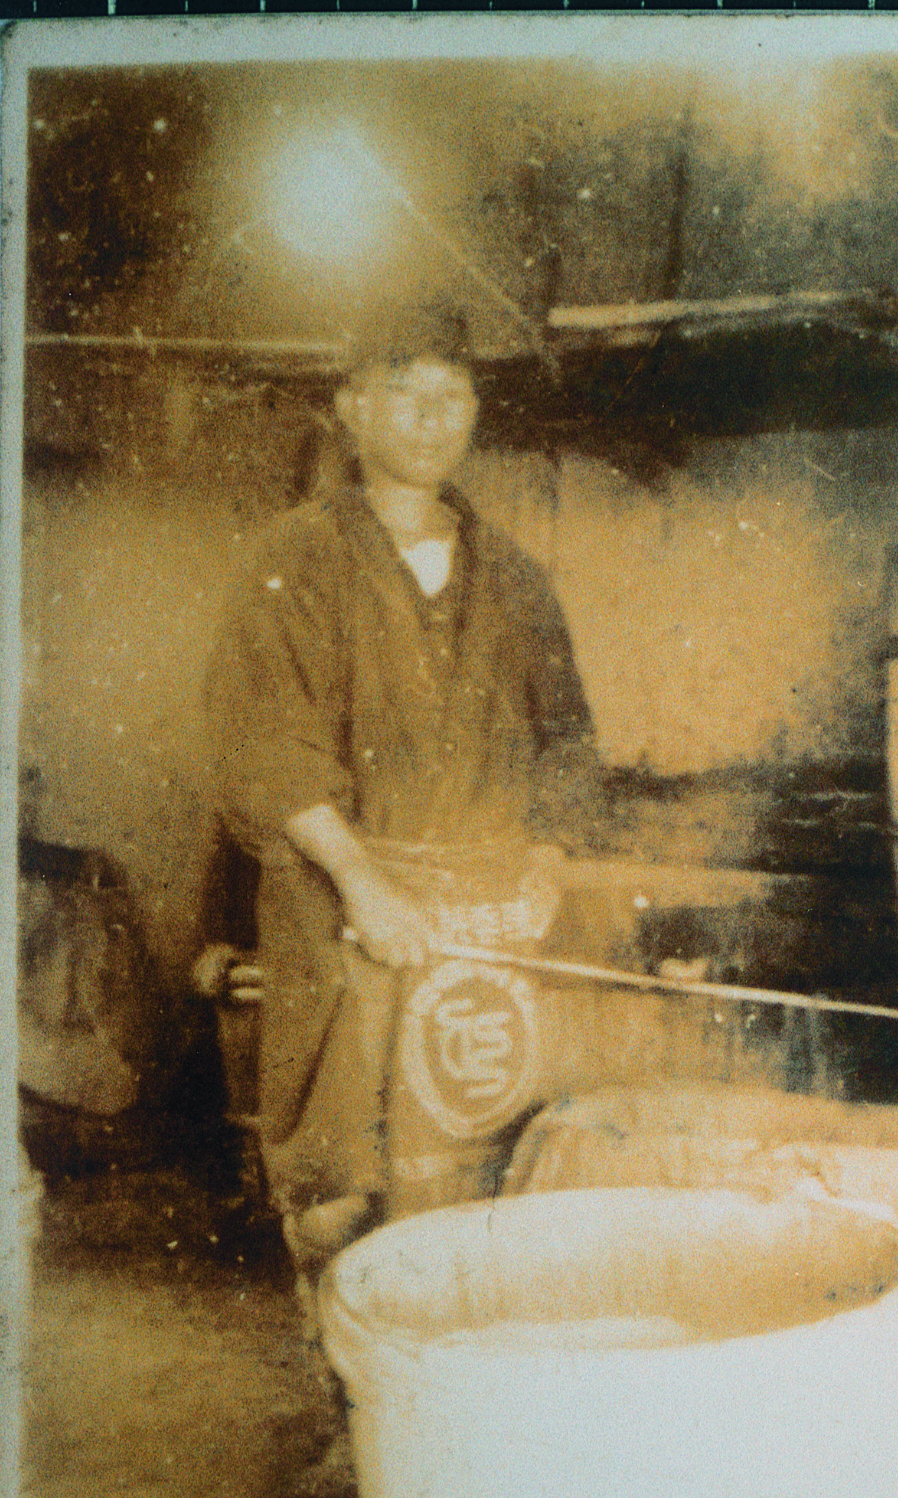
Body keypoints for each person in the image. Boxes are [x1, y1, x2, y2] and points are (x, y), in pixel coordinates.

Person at [205, 299, 603, 1318]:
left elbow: (566, 737)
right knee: (337, 1193)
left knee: (471, 1166)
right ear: (349, 407)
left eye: (453, 394)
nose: (432, 417)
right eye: (403, 391)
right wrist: (363, 885)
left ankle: (443, 1384)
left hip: (481, 917)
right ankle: (348, 1387)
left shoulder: (516, 577)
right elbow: (264, 743)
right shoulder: (292, 556)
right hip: (339, 907)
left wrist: (546, 869)